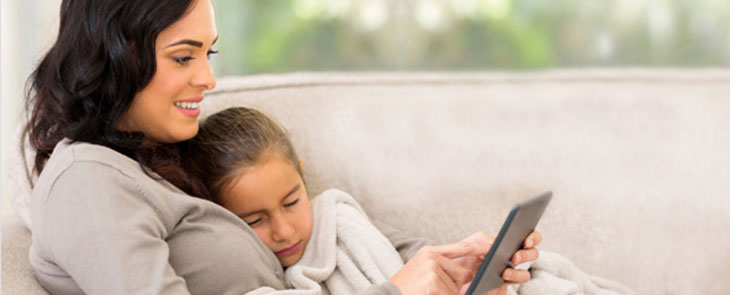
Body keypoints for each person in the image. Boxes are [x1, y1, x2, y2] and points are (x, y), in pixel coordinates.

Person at [24, 0, 539, 294]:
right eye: (184, 57)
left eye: (210, 53)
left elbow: (327, 244)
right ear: (114, 59)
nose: (208, 78)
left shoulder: (157, 156)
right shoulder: (87, 182)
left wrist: (443, 269)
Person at [183, 106, 543, 295]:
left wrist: (472, 271)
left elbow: (410, 253)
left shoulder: (337, 217)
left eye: (292, 202)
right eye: (254, 220)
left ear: (303, 177)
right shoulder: (237, 269)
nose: (284, 230)